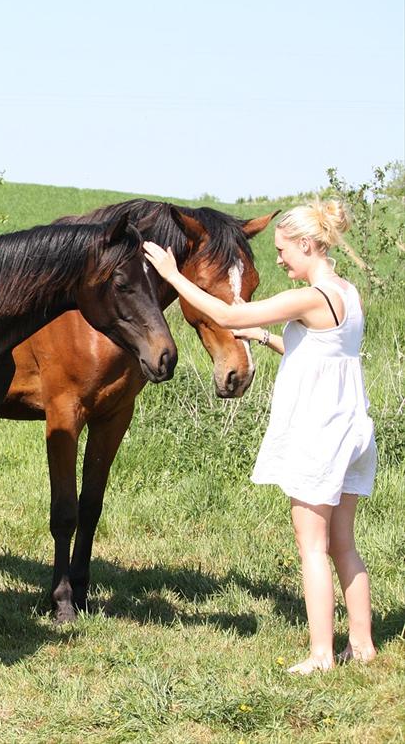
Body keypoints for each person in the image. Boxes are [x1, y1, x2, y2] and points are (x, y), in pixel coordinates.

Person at [143, 199, 377, 675]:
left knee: (312, 545)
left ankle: (321, 655)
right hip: (354, 427)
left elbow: (231, 316)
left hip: (321, 433)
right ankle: (363, 644)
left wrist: (173, 275)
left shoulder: (313, 296)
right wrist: (269, 341)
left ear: (308, 245)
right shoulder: (347, 293)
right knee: (342, 544)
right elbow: (318, 347)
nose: (278, 259)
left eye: (284, 250)